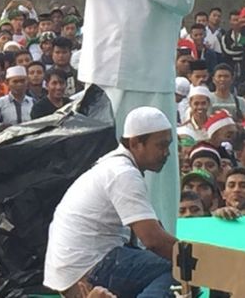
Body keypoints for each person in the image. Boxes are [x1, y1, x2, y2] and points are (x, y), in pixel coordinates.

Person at [42, 0, 197, 233]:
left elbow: (185, 0)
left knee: (154, 166)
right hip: (101, 76)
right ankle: (102, 245)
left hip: (149, 77)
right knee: (100, 166)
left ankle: (158, 247)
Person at [44, 107, 179, 296]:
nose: (167, 153)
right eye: (161, 145)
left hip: (73, 269)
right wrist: (203, 261)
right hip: (88, 267)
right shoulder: (123, 173)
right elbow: (153, 240)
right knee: (180, 271)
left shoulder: (112, 166)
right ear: (135, 143)